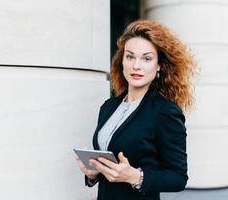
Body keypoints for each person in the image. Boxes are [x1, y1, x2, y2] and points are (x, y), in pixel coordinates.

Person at [75, 19, 196, 200]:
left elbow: (178, 178)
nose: (136, 66)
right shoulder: (108, 108)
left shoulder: (165, 112)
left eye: (146, 58)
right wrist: (92, 173)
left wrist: (135, 176)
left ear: (159, 66)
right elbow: (110, 167)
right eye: (130, 56)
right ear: (121, 60)